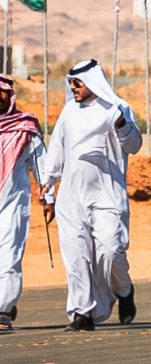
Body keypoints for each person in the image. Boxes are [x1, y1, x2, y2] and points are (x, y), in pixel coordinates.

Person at [40, 59, 142, 332]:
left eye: (78, 83)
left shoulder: (117, 108)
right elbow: (57, 150)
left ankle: (124, 290)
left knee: (111, 251)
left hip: (108, 197)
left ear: (93, 83)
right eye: (70, 83)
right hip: (71, 198)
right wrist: (47, 187)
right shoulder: (69, 112)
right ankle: (82, 313)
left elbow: (135, 145)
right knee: (76, 256)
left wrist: (121, 124)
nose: (73, 88)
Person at [0, 75, 50, 331]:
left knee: (9, 255)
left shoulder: (25, 126)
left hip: (12, 204)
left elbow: (41, 165)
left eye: (1, 93)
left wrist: (47, 196)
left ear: (10, 96)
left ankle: (3, 310)